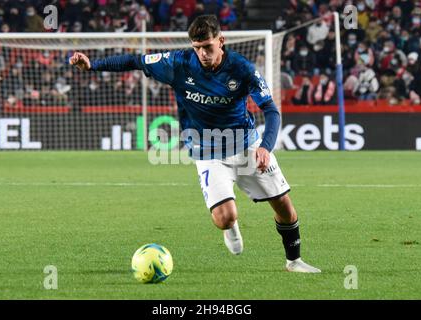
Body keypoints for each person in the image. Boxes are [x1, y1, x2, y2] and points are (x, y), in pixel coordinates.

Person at [69, 15, 321, 273]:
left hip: (246, 147)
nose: (202, 53)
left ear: (221, 41)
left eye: (207, 47)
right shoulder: (178, 63)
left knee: (284, 206)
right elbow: (135, 60)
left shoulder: (242, 69)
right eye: (197, 47)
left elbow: (271, 110)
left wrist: (266, 146)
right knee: (224, 218)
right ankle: (231, 225)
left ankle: (294, 261)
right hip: (207, 151)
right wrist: (93, 66)